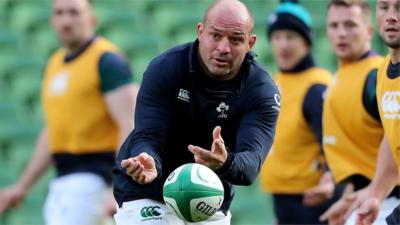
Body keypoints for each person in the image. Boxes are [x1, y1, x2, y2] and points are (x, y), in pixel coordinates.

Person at [112, 0, 280, 224]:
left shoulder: (261, 90)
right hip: (148, 192)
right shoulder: (166, 68)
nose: (223, 48)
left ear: (251, 43)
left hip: (209, 199)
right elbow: (147, 136)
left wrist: (225, 162)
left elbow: (250, 165)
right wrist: (148, 160)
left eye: (236, 39)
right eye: (216, 35)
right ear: (200, 32)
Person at [0, 0, 138, 225]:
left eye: (74, 13)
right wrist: (22, 186)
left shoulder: (107, 61)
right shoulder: (54, 64)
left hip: (96, 177)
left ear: (91, 19)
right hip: (64, 178)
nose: (66, 20)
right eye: (60, 13)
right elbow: (53, 131)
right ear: (52, 21)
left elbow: (130, 123)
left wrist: (119, 185)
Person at [319, 0, 400, 224]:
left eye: (350, 25)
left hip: (389, 200)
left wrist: (376, 193)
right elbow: (391, 139)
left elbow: (390, 136)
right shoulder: (375, 72)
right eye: (334, 26)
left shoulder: (371, 76)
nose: (341, 33)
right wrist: (354, 199)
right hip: (367, 199)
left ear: (368, 30)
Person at [259, 0, 340, 224]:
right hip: (283, 200)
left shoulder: (316, 86)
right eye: (277, 37)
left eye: (290, 37)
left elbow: (336, 145)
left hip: (312, 201)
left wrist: (330, 179)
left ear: (306, 41)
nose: (283, 45)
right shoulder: (277, 81)